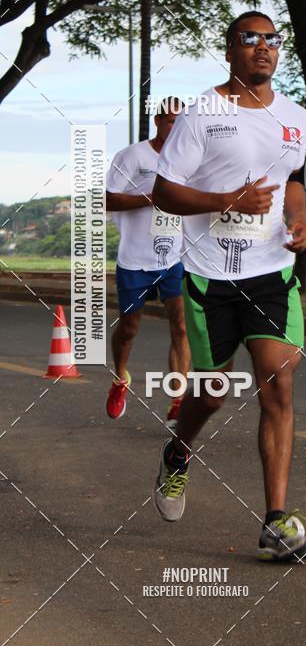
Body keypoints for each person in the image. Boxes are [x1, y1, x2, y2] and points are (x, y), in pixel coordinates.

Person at [151, 11, 306, 561]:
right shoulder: (204, 114)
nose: (263, 48)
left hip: (271, 272)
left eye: (271, 40)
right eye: (250, 39)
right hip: (208, 276)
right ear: (230, 49)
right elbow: (165, 193)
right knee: (212, 393)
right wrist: (228, 201)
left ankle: (276, 522)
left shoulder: (296, 116)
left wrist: (300, 220)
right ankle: (178, 452)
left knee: (279, 386)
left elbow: (292, 182)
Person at [105, 97, 190, 427]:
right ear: (158, 121)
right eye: (171, 121)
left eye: (182, 123)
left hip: (175, 258)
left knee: (181, 328)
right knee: (129, 329)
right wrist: (150, 198)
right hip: (135, 259)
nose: (176, 128)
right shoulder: (133, 156)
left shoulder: (191, 161)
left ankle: (177, 402)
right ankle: (120, 379)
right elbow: (106, 199)